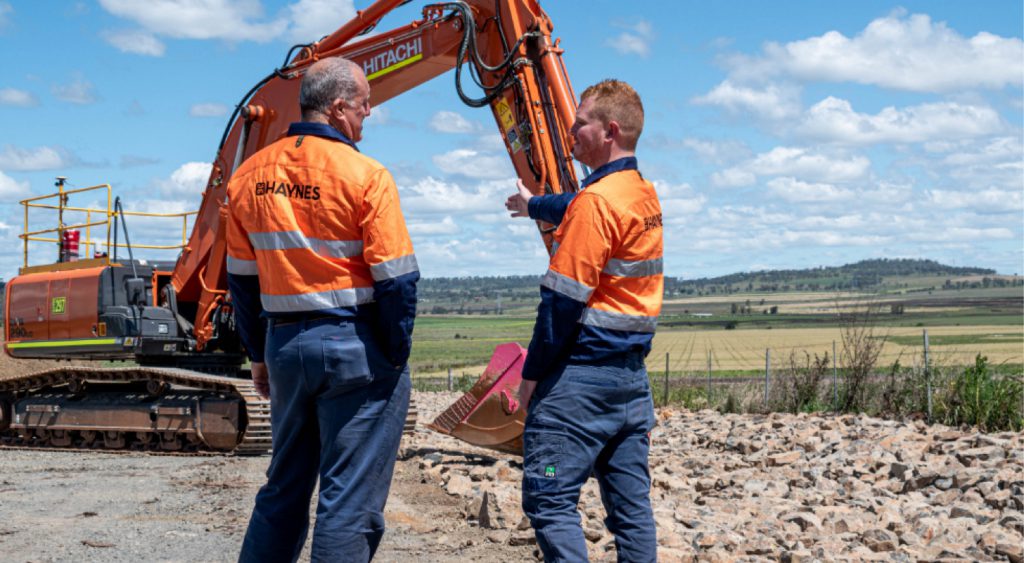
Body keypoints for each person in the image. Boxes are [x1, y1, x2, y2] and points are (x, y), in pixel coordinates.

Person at [226, 57, 419, 563]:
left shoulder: (248, 177)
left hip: (285, 346)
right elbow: (398, 281)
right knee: (348, 499)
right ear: (337, 108)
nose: (368, 114)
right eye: (363, 104)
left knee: (284, 487)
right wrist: (394, 356)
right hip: (354, 348)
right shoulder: (365, 175)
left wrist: (258, 356)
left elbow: (241, 284)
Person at [506, 79, 662, 562]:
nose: (570, 131)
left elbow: (561, 303)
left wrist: (530, 376)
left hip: (577, 388)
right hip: (629, 388)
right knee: (631, 508)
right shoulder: (640, 194)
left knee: (550, 496)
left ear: (609, 130)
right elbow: (576, 205)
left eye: (580, 122)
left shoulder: (596, 204)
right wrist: (532, 203)